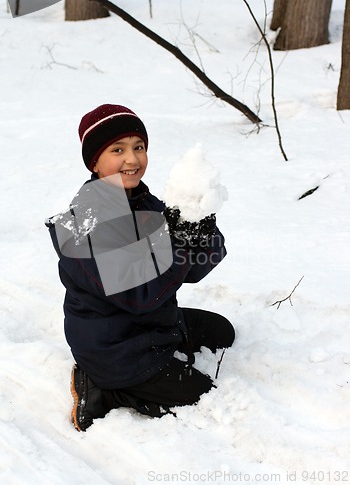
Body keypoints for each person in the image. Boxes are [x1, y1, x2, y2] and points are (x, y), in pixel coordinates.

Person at [46, 104, 235, 432]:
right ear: (94, 161)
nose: (132, 159)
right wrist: (179, 245)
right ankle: (108, 391)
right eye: (117, 149)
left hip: (150, 324)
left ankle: (149, 360)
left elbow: (191, 269)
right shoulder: (86, 224)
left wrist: (199, 229)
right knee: (202, 394)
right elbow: (139, 294)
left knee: (223, 331)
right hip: (116, 349)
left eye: (139, 147)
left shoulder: (144, 203)